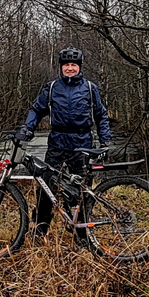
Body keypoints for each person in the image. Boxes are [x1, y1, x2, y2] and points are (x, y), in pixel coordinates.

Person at [15, 47, 111, 237]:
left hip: (82, 142)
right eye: (66, 65)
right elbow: (36, 109)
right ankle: (41, 228)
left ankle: (82, 233)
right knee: (46, 186)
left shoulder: (90, 89)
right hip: (57, 142)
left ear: (79, 67)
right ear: (61, 67)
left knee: (81, 189)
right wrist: (28, 128)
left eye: (73, 65)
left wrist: (104, 142)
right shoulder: (51, 88)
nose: (69, 68)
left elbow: (101, 116)